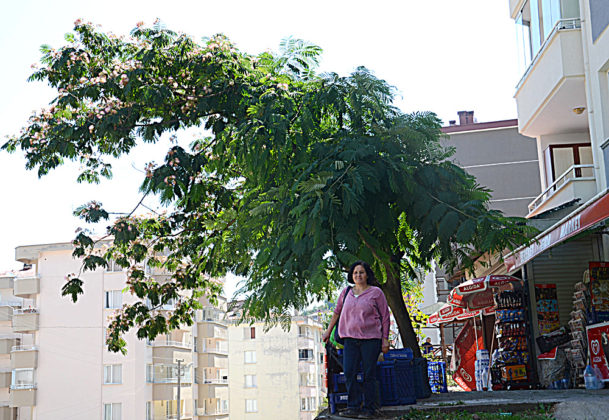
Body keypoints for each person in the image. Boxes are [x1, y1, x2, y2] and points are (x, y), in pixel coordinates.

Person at [322, 261, 390, 419]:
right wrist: (328, 331)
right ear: (351, 276)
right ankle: (353, 406)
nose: (358, 275)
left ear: (367, 275)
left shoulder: (376, 292)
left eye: (361, 272)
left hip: (371, 340)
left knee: (369, 374)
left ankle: (369, 409)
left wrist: (385, 339)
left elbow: (385, 317)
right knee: (349, 372)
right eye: (355, 273)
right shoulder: (346, 292)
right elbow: (337, 312)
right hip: (350, 340)